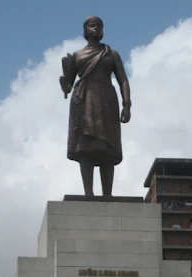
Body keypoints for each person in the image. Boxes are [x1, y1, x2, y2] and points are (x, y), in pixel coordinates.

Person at [59, 16, 131, 196]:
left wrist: (127, 104)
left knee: (108, 146)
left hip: (106, 99)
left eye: (99, 26)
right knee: (86, 147)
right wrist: (65, 83)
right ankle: (88, 193)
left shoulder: (110, 53)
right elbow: (69, 83)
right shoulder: (78, 55)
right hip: (83, 99)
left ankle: (108, 194)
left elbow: (122, 79)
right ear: (85, 31)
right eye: (92, 26)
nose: (96, 28)